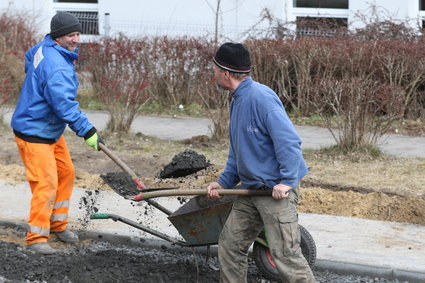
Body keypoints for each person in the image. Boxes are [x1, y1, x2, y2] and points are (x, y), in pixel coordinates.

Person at [207, 43, 316, 283]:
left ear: (225, 73)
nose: (212, 73)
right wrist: (222, 181)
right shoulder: (236, 100)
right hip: (251, 190)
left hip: (274, 191)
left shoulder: (261, 98)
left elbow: (288, 141)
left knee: (286, 256)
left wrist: (287, 181)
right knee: (230, 245)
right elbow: (238, 150)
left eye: (214, 69)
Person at [10, 11, 103, 255]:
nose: (76, 39)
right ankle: (36, 237)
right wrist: (88, 131)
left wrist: (34, 83)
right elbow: (64, 106)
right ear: (58, 36)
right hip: (33, 131)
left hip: (48, 128)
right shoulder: (56, 67)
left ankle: (57, 224)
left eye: (77, 33)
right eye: (71, 35)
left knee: (66, 174)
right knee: (46, 182)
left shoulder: (46, 47)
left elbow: (29, 56)